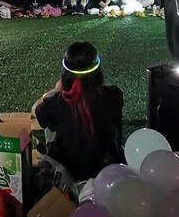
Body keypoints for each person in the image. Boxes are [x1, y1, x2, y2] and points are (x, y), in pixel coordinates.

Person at [32, 42, 124, 181]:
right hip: (107, 173)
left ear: (65, 73)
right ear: (97, 70)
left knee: (50, 121)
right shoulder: (114, 95)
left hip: (68, 177)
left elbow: (35, 110)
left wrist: (55, 90)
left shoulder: (57, 102)